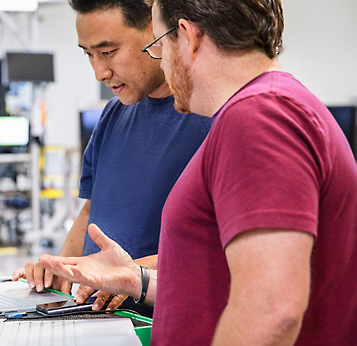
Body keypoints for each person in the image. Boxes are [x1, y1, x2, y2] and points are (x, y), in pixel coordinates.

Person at [40, 0, 357, 344]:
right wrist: (134, 277)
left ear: (187, 37)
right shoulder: (258, 110)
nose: (160, 58)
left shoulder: (261, 117)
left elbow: (269, 312)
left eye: (158, 45)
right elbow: (219, 282)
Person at [12, 0, 212, 315]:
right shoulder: (112, 115)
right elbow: (91, 210)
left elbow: (219, 250)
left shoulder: (210, 117)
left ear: (156, 30)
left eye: (108, 52)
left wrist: (128, 274)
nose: (99, 72)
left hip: (157, 320)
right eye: (88, 54)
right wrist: (61, 269)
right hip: (94, 319)